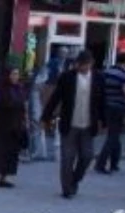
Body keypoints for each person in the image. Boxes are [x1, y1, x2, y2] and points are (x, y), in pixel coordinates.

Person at [42, 50, 104, 199]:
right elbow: (56, 97)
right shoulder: (67, 78)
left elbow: (102, 101)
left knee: (87, 156)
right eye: (81, 65)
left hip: (88, 124)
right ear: (77, 64)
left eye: (86, 65)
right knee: (67, 158)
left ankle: (75, 179)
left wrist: (103, 120)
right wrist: (46, 117)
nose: (83, 68)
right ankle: (67, 189)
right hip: (70, 124)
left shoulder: (98, 78)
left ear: (91, 64)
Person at [95, 53, 125, 174]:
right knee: (113, 136)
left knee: (115, 135)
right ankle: (101, 163)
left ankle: (114, 163)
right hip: (118, 107)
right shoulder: (122, 76)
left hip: (106, 106)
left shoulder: (106, 72)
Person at [28, 63, 53, 162]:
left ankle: (37, 150)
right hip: (36, 109)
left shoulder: (37, 89)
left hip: (37, 108)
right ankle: (35, 150)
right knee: (35, 128)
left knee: (37, 129)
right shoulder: (36, 89)